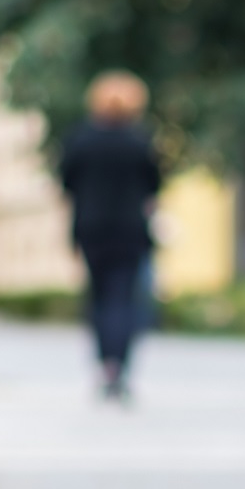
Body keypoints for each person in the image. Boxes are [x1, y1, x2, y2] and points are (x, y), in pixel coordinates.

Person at [58, 72, 163, 402]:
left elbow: (66, 182)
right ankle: (120, 367)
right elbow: (155, 185)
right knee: (124, 299)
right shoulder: (139, 141)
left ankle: (104, 364)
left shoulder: (81, 139)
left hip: (91, 229)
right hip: (130, 230)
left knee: (99, 298)